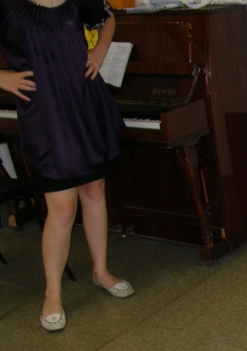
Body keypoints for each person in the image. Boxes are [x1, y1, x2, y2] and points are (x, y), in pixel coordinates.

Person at [0, 0, 134, 333]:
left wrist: (99, 52)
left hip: (85, 98)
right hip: (45, 110)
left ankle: (100, 271)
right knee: (62, 208)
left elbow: (107, 18)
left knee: (94, 189)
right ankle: (53, 294)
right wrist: (1, 77)